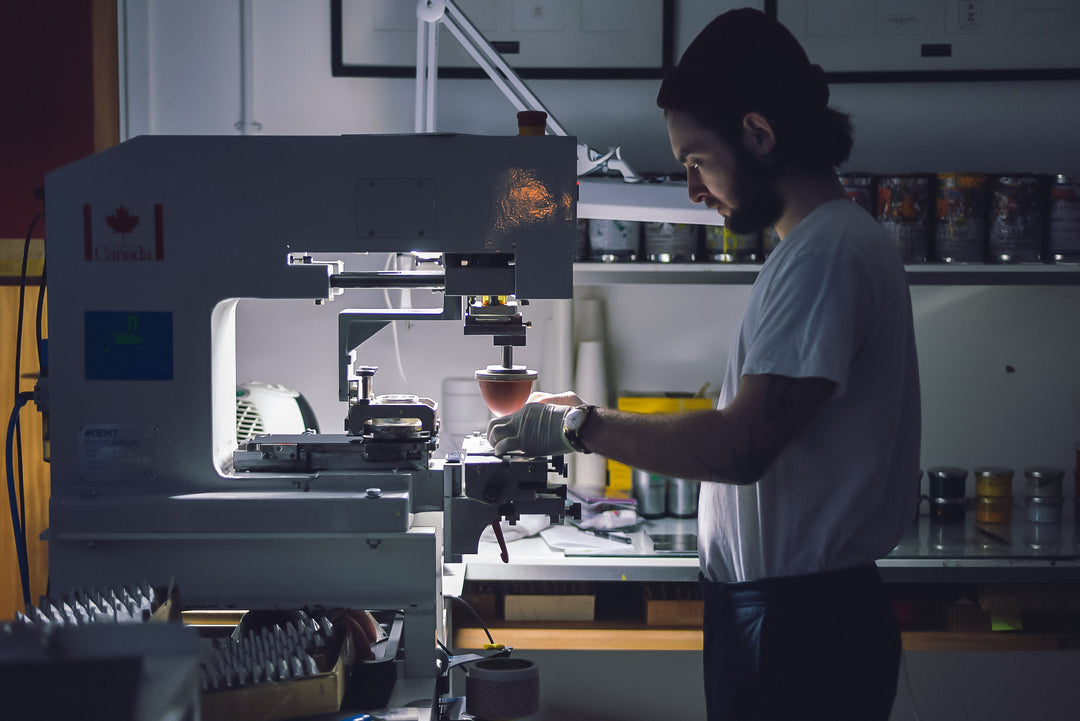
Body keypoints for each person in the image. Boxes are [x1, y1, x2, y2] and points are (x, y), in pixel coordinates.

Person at [487, 8, 921, 721]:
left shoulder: (826, 255)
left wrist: (579, 427)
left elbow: (738, 445)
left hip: (800, 631)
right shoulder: (823, 246)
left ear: (759, 134)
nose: (691, 189)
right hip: (789, 617)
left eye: (696, 160)